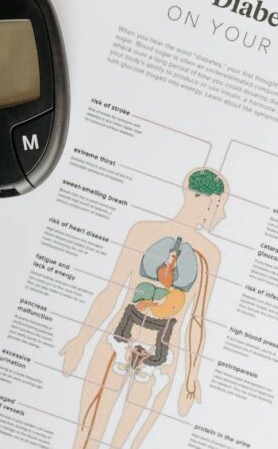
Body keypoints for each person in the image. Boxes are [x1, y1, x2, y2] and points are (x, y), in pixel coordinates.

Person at [60, 168, 227, 449]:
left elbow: (197, 320)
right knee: (86, 433)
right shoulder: (143, 231)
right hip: (119, 334)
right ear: (202, 198)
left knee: (126, 442)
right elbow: (112, 291)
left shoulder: (208, 254)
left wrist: (191, 377)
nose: (222, 214)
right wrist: (80, 340)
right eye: (220, 204)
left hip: (163, 350)